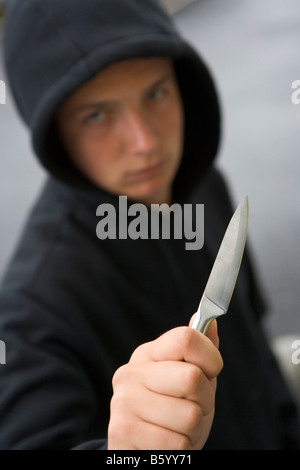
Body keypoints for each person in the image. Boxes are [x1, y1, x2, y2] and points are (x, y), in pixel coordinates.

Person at [0, 0, 299, 450]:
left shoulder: (202, 185)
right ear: (54, 131)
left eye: (155, 93)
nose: (145, 143)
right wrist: (127, 452)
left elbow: (254, 344)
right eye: (96, 115)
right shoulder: (33, 307)